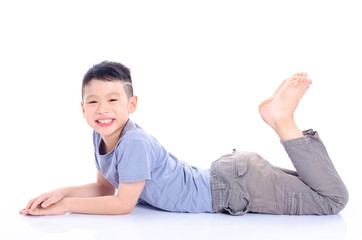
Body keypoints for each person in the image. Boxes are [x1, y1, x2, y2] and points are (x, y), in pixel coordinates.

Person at [19, 61, 348, 216]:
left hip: (233, 188)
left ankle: (282, 119)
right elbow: (105, 189)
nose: (102, 109)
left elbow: (122, 204)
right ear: (83, 108)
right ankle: (280, 116)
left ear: (131, 105)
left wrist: (65, 208)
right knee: (318, 191)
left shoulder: (134, 142)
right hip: (230, 177)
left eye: (113, 100)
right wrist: (58, 193)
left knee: (331, 201)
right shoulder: (102, 138)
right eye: (93, 102)